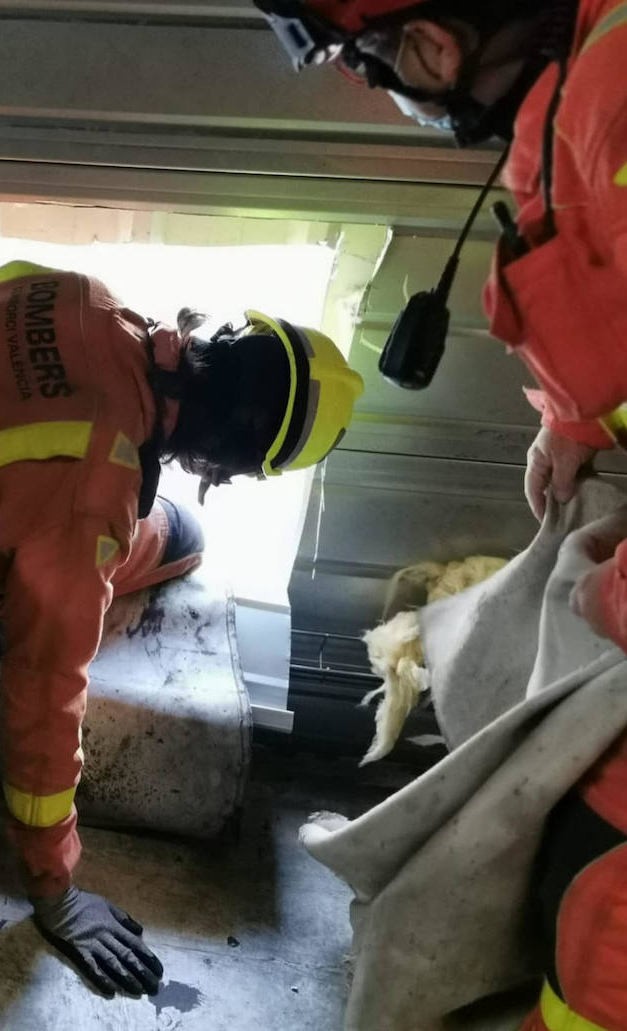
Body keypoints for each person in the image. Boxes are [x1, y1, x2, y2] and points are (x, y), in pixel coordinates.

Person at [0, 260, 363, 998]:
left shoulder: (86, 293)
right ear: (229, 456)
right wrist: (55, 889)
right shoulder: (90, 496)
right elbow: (46, 695)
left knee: (113, 525)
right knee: (175, 541)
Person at [255, 2, 627, 1027]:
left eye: (374, 64)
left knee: (599, 921)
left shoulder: (612, 105)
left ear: (431, 43)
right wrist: (574, 421)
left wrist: (605, 600)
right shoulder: (561, 100)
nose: (390, 87)